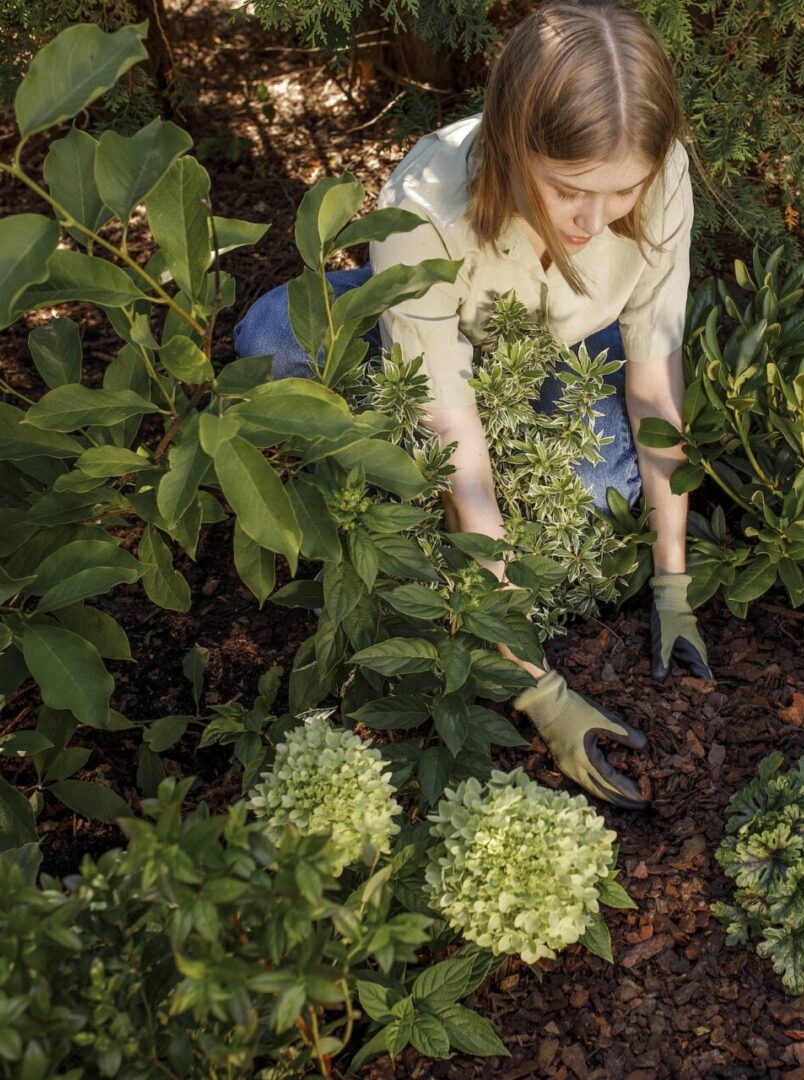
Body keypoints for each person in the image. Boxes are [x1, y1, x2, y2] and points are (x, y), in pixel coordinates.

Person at [232, 0, 711, 809]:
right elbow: (455, 438)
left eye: (622, 191)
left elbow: (654, 382)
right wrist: (538, 689)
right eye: (568, 192)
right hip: (443, 342)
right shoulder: (425, 200)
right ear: (512, 144)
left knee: (595, 501)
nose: (597, 219)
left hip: (565, 351)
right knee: (273, 343)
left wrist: (673, 587)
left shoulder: (658, 178)